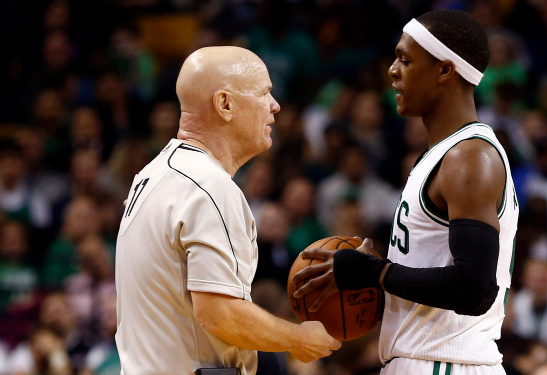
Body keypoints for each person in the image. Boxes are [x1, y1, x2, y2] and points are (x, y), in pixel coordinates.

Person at [292, 10, 519, 374]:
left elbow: (474, 289)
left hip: (446, 362)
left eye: (405, 59)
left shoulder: (469, 158)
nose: (392, 71)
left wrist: (374, 272)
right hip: (425, 360)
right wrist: (377, 274)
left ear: (445, 70)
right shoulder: (442, 155)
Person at [115, 46, 340, 375]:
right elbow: (219, 314)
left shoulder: (153, 174)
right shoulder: (208, 186)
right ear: (225, 104)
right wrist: (298, 338)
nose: (275, 106)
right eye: (264, 93)